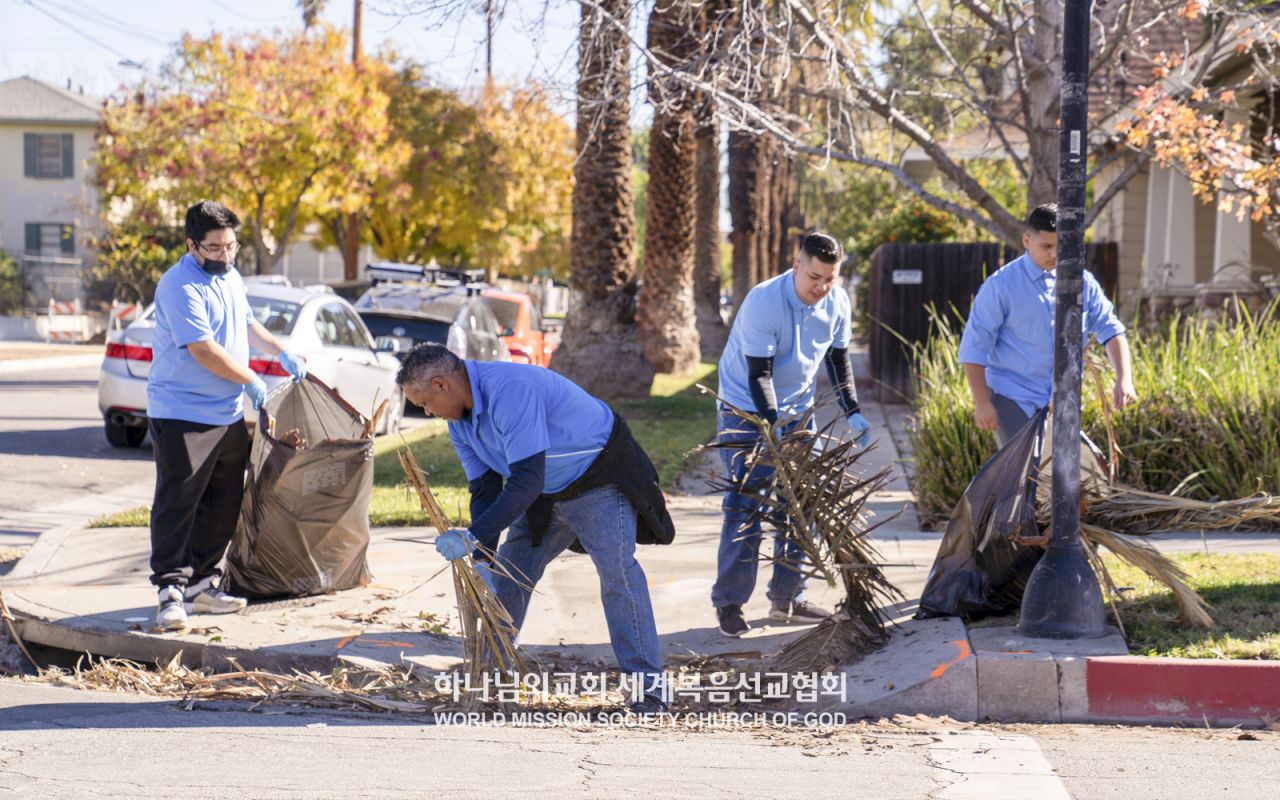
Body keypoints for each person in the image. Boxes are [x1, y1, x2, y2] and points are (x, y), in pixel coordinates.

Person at [396, 345, 674, 714]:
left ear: (442, 384)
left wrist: (474, 535)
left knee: (618, 575)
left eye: (424, 403)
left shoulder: (509, 390)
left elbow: (526, 479)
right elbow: (486, 488)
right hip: (544, 490)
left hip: (597, 477)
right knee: (508, 576)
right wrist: (482, 557)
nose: (426, 412)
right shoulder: (459, 423)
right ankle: (489, 681)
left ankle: (648, 693)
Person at [148, 200, 307, 631]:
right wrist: (252, 379)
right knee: (179, 502)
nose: (225, 255)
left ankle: (201, 586)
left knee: (224, 502)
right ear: (192, 245)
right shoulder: (179, 285)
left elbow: (248, 324)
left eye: (232, 246)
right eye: (215, 248)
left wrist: (280, 351)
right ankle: (170, 593)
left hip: (227, 413)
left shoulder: (231, 277)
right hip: (182, 412)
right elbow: (203, 350)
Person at [711, 231, 871, 638]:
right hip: (745, 408)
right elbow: (759, 376)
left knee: (800, 503)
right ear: (797, 265)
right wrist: (772, 431)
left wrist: (852, 410)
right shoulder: (764, 301)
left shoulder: (836, 302)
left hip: (798, 409)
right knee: (746, 503)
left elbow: (838, 361)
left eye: (830, 278)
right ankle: (729, 602)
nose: (822, 287)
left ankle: (788, 596)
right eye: (815, 276)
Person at [958, 203, 1137, 446]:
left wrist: (1123, 378)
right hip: (1011, 394)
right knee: (1023, 471)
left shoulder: (1082, 282)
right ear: (1026, 240)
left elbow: (1110, 328)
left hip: (1063, 398)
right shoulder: (1000, 286)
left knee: (1059, 478)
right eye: (1046, 246)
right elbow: (974, 346)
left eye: (1061, 246)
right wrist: (982, 403)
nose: (1054, 254)